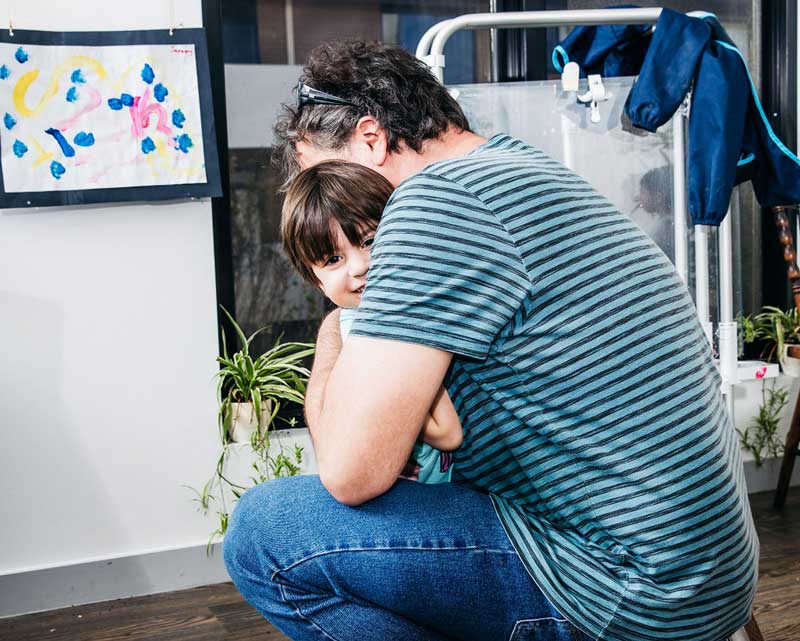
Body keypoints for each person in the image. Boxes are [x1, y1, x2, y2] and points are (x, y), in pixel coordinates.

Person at [223, 39, 758, 641]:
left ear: (371, 139)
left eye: (323, 173)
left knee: (265, 533)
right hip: (710, 575)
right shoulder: (521, 169)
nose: (332, 200)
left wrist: (331, 335)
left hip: (633, 592)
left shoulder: (434, 203)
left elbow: (350, 472)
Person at [280, 159, 461, 482]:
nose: (360, 266)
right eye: (334, 259)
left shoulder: (379, 321)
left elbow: (447, 434)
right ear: (316, 280)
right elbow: (446, 431)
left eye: (369, 241)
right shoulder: (382, 328)